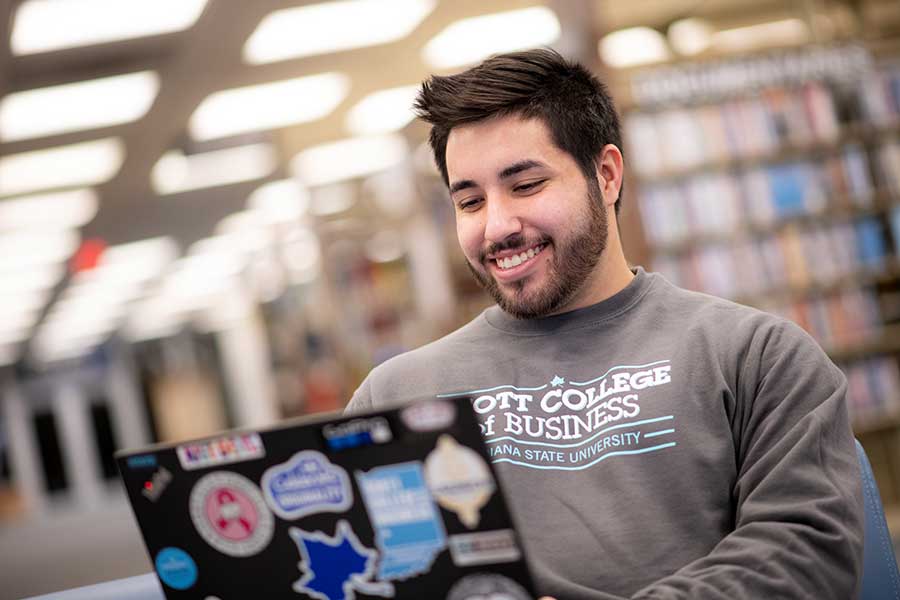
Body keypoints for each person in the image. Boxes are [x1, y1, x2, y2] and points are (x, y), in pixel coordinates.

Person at [345, 48, 863, 599]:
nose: (497, 227)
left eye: (525, 185)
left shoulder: (756, 357)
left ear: (607, 174)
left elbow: (808, 554)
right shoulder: (396, 397)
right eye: (470, 201)